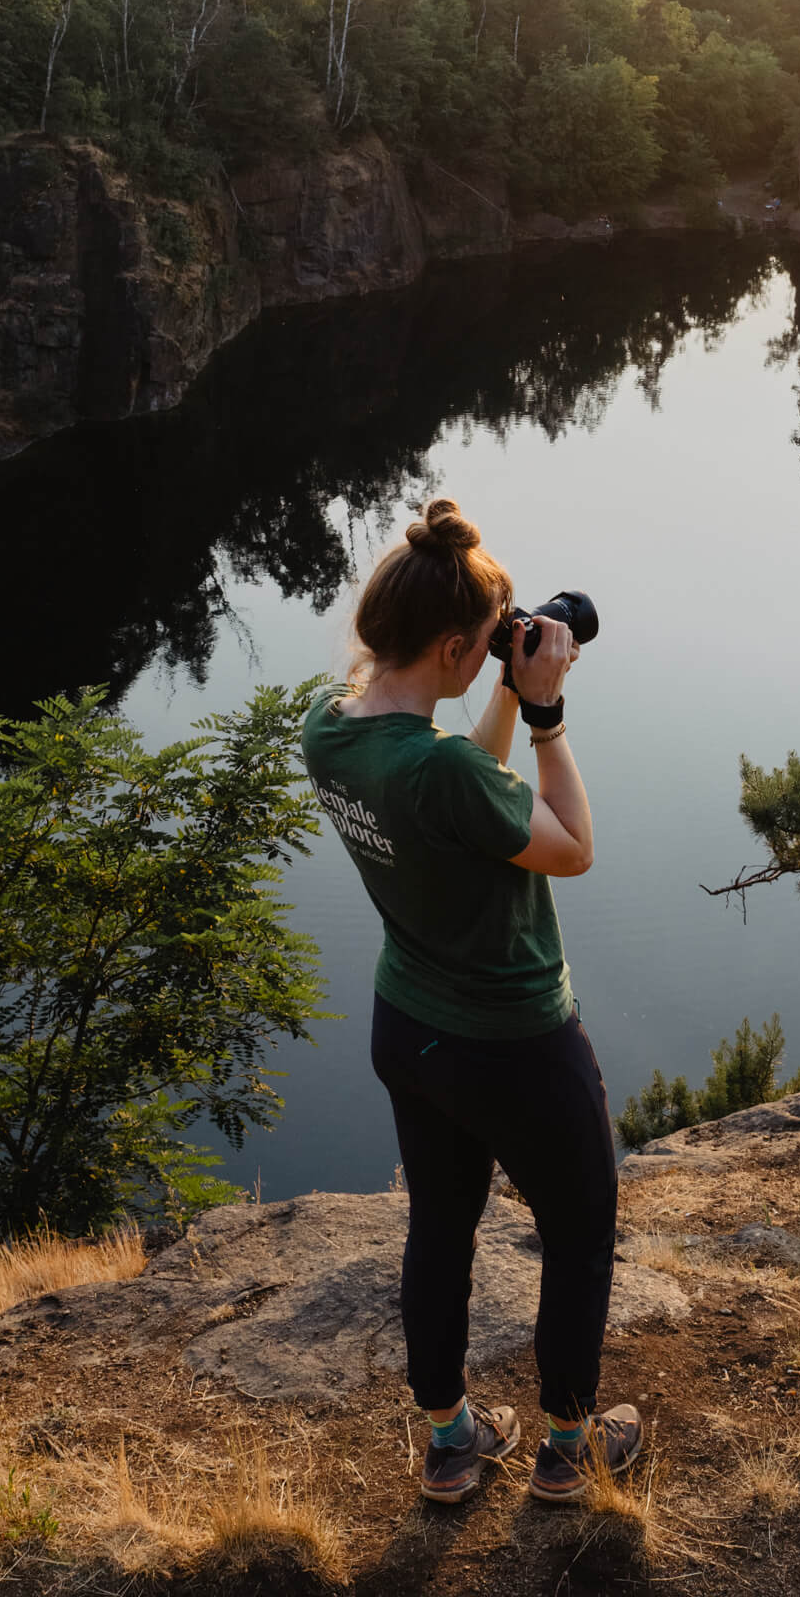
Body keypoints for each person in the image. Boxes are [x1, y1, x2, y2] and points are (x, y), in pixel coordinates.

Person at [301, 498, 639, 1506]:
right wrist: (544, 710)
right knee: (579, 1234)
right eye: (488, 643)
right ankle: (571, 1451)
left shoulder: (332, 730)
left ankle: (453, 1440)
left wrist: (493, 674)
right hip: (515, 1041)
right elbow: (569, 848)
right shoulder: (441, 771)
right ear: (454, 647)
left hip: (411, 1030)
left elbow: (459, 787)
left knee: (441, 1228)